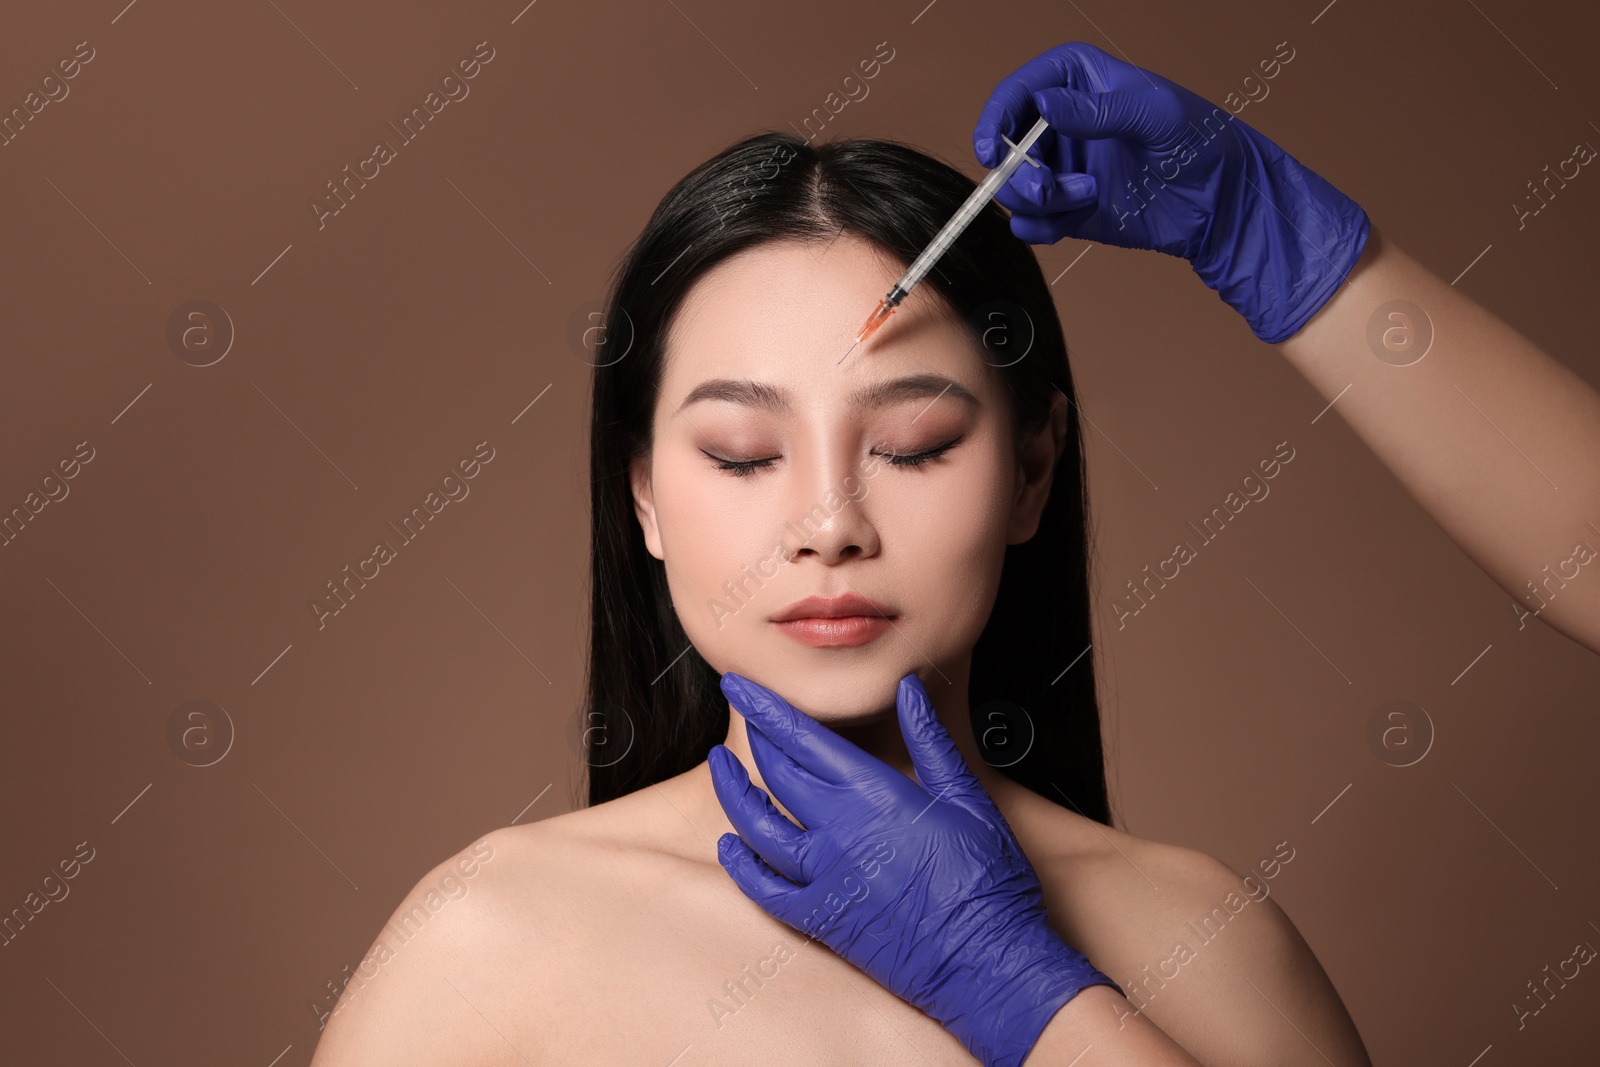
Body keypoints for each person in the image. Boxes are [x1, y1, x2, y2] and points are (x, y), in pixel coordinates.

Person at [310, 40, 1597, 1066]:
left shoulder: (1209, 946)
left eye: (915, 443)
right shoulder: (488, 943)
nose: (828, 522)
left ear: (1032, 472)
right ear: (641, 497)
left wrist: (1027, 995)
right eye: (742, 455)